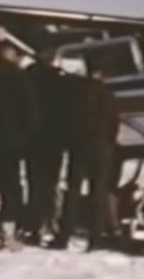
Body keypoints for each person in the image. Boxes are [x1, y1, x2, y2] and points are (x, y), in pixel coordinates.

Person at [50, 63, 120, 251]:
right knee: (98, 192)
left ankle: (64, 235)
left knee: (73, 190)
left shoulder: (75, 94)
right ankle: (95, 237)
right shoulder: (108, 94)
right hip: (102, 147)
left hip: (80, 147)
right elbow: (115, 123)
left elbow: (68, 121)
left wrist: (70, 142)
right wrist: (109, 143)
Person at [0, 41, 40, 251]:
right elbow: (31, 110)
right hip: (12, 142)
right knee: (11, 189)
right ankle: (8, 233)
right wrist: (27, 136)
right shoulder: (19, 77)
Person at [22, 48, 69, 244]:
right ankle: (50, 222)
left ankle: (34, 226)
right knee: (51, 182)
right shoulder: (60, 80)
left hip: (32, 137)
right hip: (54, 137)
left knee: (35, 183)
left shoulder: (27, 78)